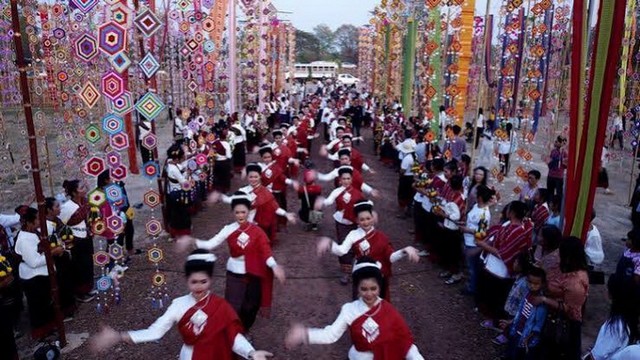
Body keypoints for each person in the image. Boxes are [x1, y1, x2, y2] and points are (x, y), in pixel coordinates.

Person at [90, 250, 273, 360]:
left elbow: (233, 337)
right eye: (194, 282)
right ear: (187, 281)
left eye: (203, 281)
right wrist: (119, 336)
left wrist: (251, 353)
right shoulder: (179, 305)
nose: (199, 287)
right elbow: (155, 331)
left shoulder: (221, 306)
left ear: (210, 280)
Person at [177, 193, 286, 331]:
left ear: (249, 212)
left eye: (243, 212)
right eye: (237, 212)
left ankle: (244, 329)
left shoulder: (257, 231)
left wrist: (274, 265)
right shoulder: (229, 229)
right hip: (235, 272)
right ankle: (235, 333)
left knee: (252, 305)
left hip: (254, 271)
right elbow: (211, 243)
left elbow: (265, 251)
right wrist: (191, 240)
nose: (240, 215)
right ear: (233, 213)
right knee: (233, 305)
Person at [284, 257, 425, 359]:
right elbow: (331, 335)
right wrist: (304, 334)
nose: (369, 294)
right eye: (364, 289)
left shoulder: (388, 309)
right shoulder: (349, 310)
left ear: (379, 287)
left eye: (373, 288)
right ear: (357, 288)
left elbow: (404, 341)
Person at [317, 200, 420, 300]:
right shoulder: (353, 235)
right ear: (357, 220)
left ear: (373, 218)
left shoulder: (382, 237)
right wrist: (330, 243)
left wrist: (404, 251)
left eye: (368, 218)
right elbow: (342, 251)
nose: (365, 222)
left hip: (378, 276)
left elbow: (390, 258)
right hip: (361, 274)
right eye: (362, 220)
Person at [535, 237, 589, 360]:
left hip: (563, 325)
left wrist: (544, 299)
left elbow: (570, 310)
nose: (557, 253)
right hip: (550, 316)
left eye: (561, 251)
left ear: (568, 255)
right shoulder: (565, 266)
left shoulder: (576, 282)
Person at [14, 207, 63, 339]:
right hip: (33, 278)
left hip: (42, 275)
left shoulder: (34, 232)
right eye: (37, 218)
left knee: (46, 303)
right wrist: (52, 253)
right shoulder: (24, 239)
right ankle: (41, 333)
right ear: (29, 222)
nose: (39, 221)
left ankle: (49, 328)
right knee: (38, 307)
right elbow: (34, 262)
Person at [315, 166, 366, 284]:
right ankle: (346, 272)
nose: (346, 181)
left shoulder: (358, 193)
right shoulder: (337, 191)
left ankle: (357, 268)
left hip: (355, 224)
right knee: (344, 246)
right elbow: (328, 201)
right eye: (344, 179)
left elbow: (363, 207)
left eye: (348, 178)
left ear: (352, 179)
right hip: (342, 223)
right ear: (340, 180)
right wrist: (321, 201)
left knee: (356, 245)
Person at [59, 179, 96, 302]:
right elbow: (62, 224)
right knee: (80, 265)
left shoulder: (85, 202)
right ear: (74, 193)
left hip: (86, 235)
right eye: (81, 188)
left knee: (88, 263)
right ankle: (81, 292)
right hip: (76, 238)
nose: (84, 189)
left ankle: (88, 287)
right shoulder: (67, 207)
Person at [587, 274, 638, 360]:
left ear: (612, 294)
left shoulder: (615, 325)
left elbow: (595, 357)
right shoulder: (630, 318)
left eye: (608, 288)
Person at [503, 266, 548, 360]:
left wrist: (529, 337)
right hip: (517, 331)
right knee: (511, 351)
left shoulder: (541, 304)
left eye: (536, 284)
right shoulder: (527, 294)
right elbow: (520, 311)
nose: (532, 286)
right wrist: (511, 321)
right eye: (530, 282)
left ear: (543, 284)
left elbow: (538, 325)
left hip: (526, 338)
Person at [459, 185, 495, 296]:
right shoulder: (476, 206)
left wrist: (467, 229)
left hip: (473, 243)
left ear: (480, 197)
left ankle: (472, 288)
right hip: (467, 240)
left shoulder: (484, 214)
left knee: (472, 268)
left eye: (476, 194)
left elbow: (482, 232)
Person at [44, 197, 76, 319]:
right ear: (49, 210)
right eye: (57, 206)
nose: (60, 208)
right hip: (56, 259)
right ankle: (63, 310)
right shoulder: (45, 226)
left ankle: (70, 306)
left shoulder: (57, 220)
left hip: (63, 255)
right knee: (60, 283)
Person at [164, 144, 193, 238]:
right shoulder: (174, 169)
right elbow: (184, 182)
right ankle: (181, 231)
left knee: (176, 213)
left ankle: (175, 230)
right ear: (176, 159)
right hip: (178, 193)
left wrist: (184, 171)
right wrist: (188, 175)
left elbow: (180, 169)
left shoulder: (169, 163)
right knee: (181, 213)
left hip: (172, 191)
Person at [546, 136, 568, 202]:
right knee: (550, 192)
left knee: (559, 194)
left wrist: (561, 157)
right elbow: (549, 162)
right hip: (551, 175)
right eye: (556, 141)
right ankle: (550, 204)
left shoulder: (565, 153)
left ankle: (557, 206)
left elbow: (566, 165)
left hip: (559, 177)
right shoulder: (553, 151)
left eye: (557, 142)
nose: (556, 143)